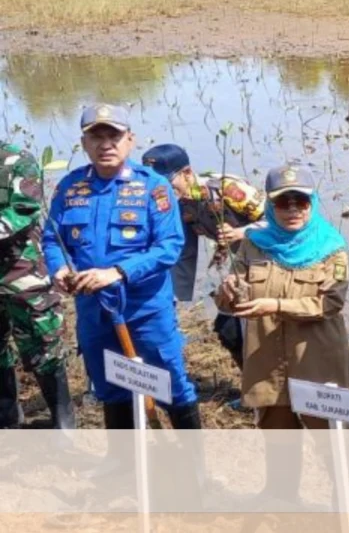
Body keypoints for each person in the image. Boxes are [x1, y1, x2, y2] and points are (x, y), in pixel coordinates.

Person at [42, 104, 200, 429]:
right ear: (84, 144)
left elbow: (169, 247)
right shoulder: (69, 188)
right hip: (93, 309)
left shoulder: (153, 187)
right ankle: (122, 464)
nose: (105, 144)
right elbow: (52, 238)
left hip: (145, 310)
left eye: (113, 135)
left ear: (130, 140)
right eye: (96, 137)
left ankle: (191, 471)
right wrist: (58, 268)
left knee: (171, 383)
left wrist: (118, 272)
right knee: (109, 385)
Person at [216, 163, 349, 430]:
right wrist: (227, 290)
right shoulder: (253, 243)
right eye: (282, 202)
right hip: (267, 368)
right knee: (280, 452)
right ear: (270, 205)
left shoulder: (332, 248)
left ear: (312, 203)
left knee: (333, 448)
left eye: (300, 201)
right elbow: (230, 303)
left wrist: (274, 306)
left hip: (317, 365)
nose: (292, 210)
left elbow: (330, 303)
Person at [143, 143, 265, 369]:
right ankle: (252, 389)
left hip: (272, 262)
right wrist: (170, 299)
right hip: (242, 266)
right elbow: (181, 254)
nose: (161, 191)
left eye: (167, 183)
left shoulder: (228, 189)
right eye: (154, 185)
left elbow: (282, 224)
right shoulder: (177, 205)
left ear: (187, 173)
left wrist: (241, 232)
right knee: (229, 329)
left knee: (263, 330)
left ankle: (276, 395)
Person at [0, 143, 74, 429]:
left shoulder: (18, 160)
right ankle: (8, 418)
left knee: (42, 342)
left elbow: (23, 209)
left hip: (21, 272)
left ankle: (63, 423)